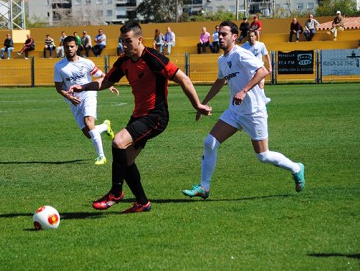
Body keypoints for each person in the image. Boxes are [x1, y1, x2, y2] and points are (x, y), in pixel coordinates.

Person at [69, 22, 211, 213]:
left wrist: (197, 105)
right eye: (122, 42)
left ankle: (116, 192)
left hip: (156, 116)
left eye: (128, 42)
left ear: (139, 39)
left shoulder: (153, 58)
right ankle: (142, 202)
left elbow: (183, 79)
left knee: (118, 141)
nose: (124, 46)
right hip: (138, 116)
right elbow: (106, 81)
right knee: (125, 161)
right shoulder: (123, 61)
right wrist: (84, 87)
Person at [182, 20, 305, 201]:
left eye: (224, 34)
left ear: (234, 37)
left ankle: (296, 168)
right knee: (209, 142)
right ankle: (204, 187)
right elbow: (219, 81)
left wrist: (244, 90)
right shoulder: (222, 59)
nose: (220, 37)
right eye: (219, 34)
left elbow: (263, 71)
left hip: (254, 111)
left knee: (263, 155)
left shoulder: (241, 54)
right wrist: (202, 104)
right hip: (235, 111)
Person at [54, 36, 119, 165]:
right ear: (64, 48)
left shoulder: (87, 62)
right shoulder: (59, 66)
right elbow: (58, 88)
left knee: (89, 122)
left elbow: (102, 75)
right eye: (67, 47)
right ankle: (105, 126)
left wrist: (109, 85)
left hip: (89, 93)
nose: (69, 49)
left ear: (77, 47)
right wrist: (69, 97)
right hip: (74, 99)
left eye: (72, 46)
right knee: (89, 133)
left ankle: (101, 157)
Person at [241, 30, 272, 102]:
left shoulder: (261, 45)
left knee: (261, 85)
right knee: (251, 87)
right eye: (249, 36)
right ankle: (257, 101)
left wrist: (270, 66)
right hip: (249, 70)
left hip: (259, 69)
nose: (251, 38)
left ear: (255, 36)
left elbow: (266, 55)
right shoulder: (244, 46)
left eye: (252, 36)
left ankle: (263, 100)